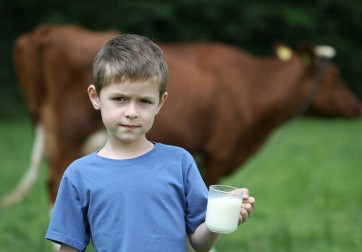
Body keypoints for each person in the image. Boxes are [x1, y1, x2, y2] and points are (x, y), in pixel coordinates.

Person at [45, 34, 255, 252]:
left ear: (160, 103)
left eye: (144, 101)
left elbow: (199, 244)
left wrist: (219, 219)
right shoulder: (78, 174)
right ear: (95, 97)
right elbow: (69, 248)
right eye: (119, 99)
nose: (132, 113)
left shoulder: (180, 163)